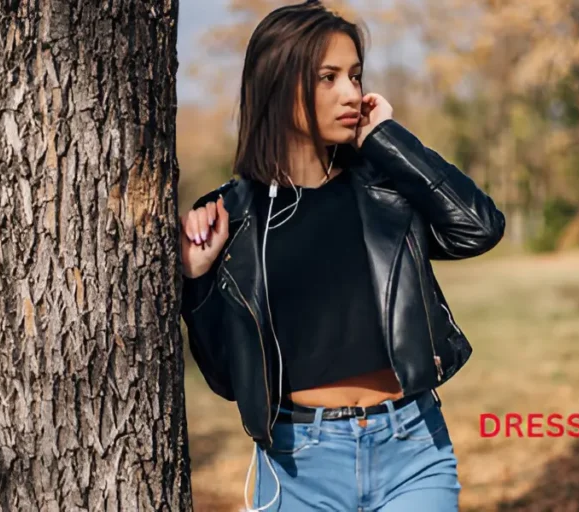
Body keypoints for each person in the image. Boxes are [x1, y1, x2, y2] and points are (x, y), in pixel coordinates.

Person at [178, 2, 505, 510]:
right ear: (278, 84)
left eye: (355, 76)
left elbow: (478, 228)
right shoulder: (231, 217)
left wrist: (387, 139)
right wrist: (197, 279)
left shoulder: (384, 191)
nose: (351, 93)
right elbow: (226, 378)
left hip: (413, 450)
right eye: (327, 78)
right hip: (296, 467)